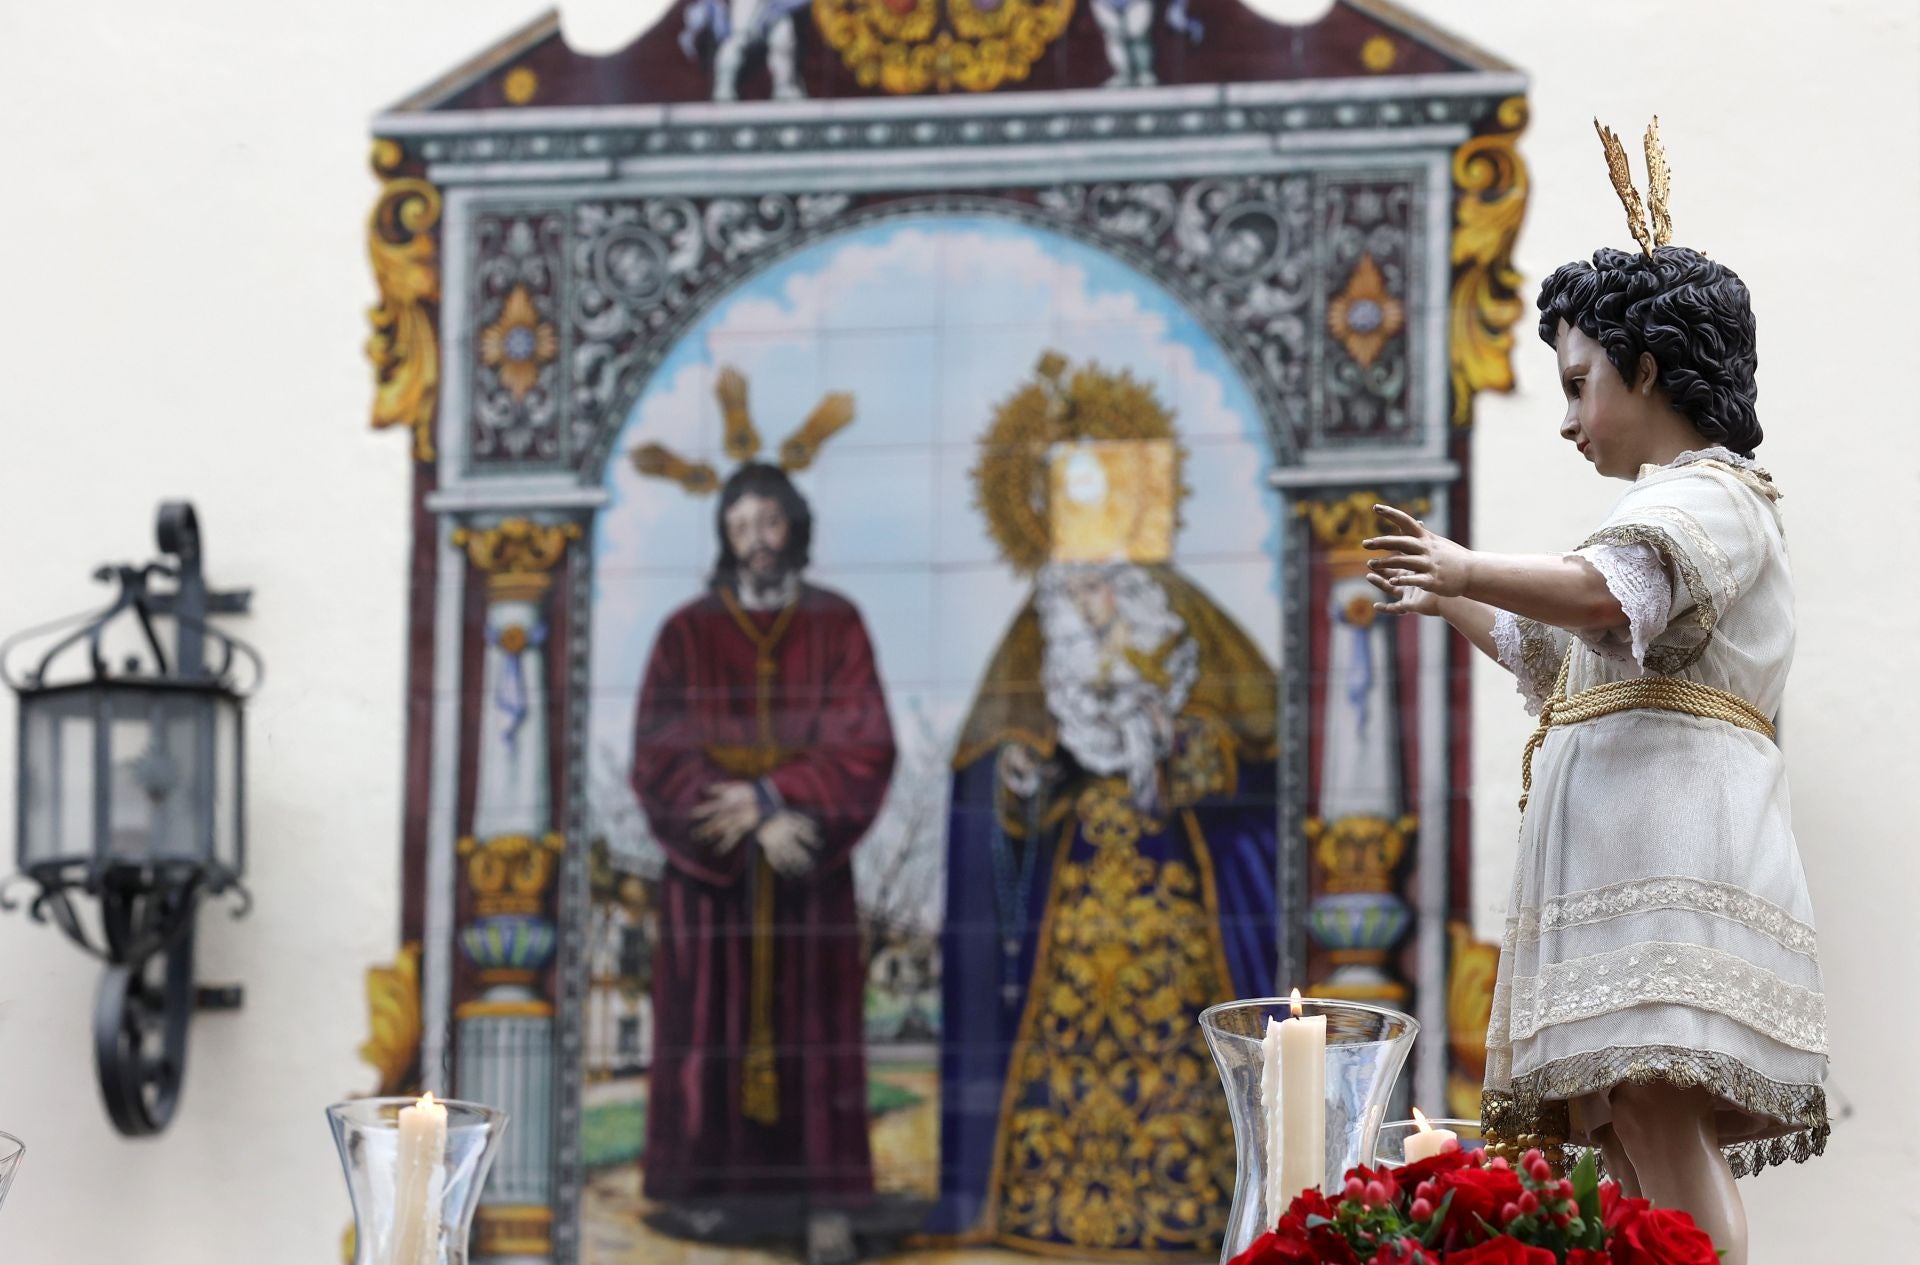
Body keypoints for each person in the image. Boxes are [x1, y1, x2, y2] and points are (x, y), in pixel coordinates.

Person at [1364, 121, 1826, 1265]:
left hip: (1672, 863)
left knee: (1658, 1115)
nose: (1567, 420)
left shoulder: (1712, 496)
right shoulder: (1659, 513)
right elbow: (1559, 644)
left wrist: (1468, 568)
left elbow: (1600, 597)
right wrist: (1452, 595)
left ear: (1650, 370)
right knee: (1626, 1130)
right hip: (1626, 864)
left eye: (1578, 386)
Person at [932, 358, 1280, 1257]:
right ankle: (1048, 1208)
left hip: (1180, 892)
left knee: (1189, 1050)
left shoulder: (1182, 613)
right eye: (1066, 495)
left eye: (1101, 491)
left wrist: (1182, 744)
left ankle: (1202, 1205)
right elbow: (989, 764)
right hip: (1074, 891)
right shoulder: (1035, 625)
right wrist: (1013, 777)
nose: (1084, 515)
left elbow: (1256, 743)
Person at [630, 460, 897, 1262]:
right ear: (725, 536)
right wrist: (748, 814)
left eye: (770, 524)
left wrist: (784, 797)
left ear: (795, 527)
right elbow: (659, 752)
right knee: (707, 1031)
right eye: (741, 527)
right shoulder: (686, 632)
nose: (757, 542)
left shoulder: (838, 623)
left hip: (806, 873)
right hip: (712, 887)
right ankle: (706, 1197)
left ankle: (825, 1204)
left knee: (815, 1036)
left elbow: (867, 740)